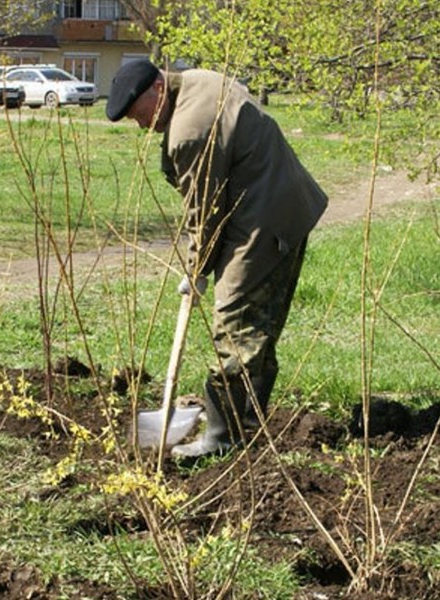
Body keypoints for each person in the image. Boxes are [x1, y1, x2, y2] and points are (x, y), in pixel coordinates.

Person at [106, 60, 328, 459]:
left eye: (141, 116)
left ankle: (221, 439)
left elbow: (204, 212)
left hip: (263, 221)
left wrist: (196, 269)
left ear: (158, 87)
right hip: (284, 205)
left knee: (233, 325)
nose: (143, 127)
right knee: (257, 326)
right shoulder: (197, 81)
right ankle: (247, 423)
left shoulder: (190, 132)